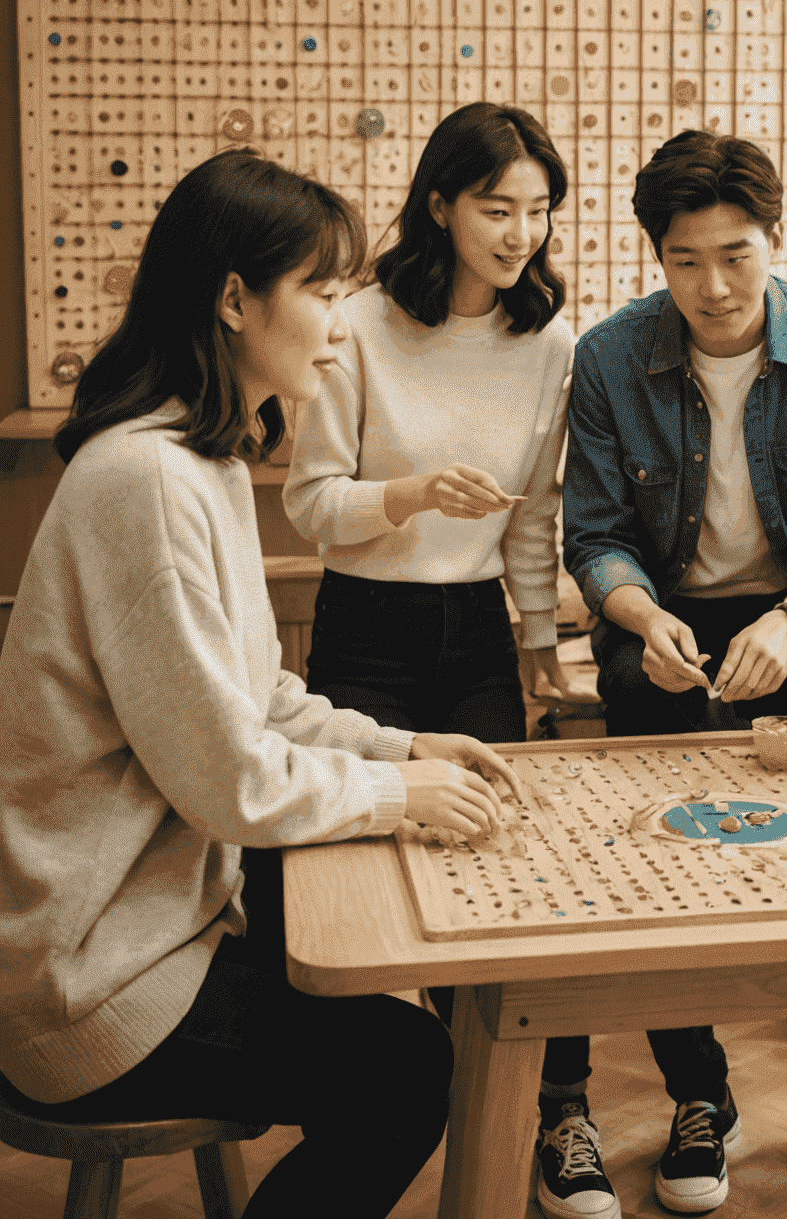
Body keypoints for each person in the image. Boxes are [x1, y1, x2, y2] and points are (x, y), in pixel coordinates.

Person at [0, 151, 515, 1219]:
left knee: (383, 1019)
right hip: (90, 982)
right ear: (234, 299)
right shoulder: (144, 479)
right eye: (324, 294)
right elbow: (231, 779)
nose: (342, 322)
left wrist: (404, 750)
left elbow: (263, 698)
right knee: (404, 1070)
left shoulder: (207, 462)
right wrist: (397, 798)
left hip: (157, 934)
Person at [561, 129, 787, 1213]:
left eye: (736, 255)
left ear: (775, 239)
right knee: (643, 757)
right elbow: (595, 536)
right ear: (655, 258)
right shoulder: (613, 355)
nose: (713, 287)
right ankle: (697, 1095)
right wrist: (639, 616)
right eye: (685, 261)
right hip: (664, 605)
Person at [281, 101, 604, 1219]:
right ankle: (370, 1110)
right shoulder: (361, 325)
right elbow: (313, 506)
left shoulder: (547, 339)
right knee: (351, 882)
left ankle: (550, 1112)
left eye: (539, 212)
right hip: (365, 626)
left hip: (476, 631)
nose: (521, 234)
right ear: (439, 204)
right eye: (496, 208)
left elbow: (533, 518)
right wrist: (413, 495)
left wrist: (540, 644)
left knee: (506, 882)